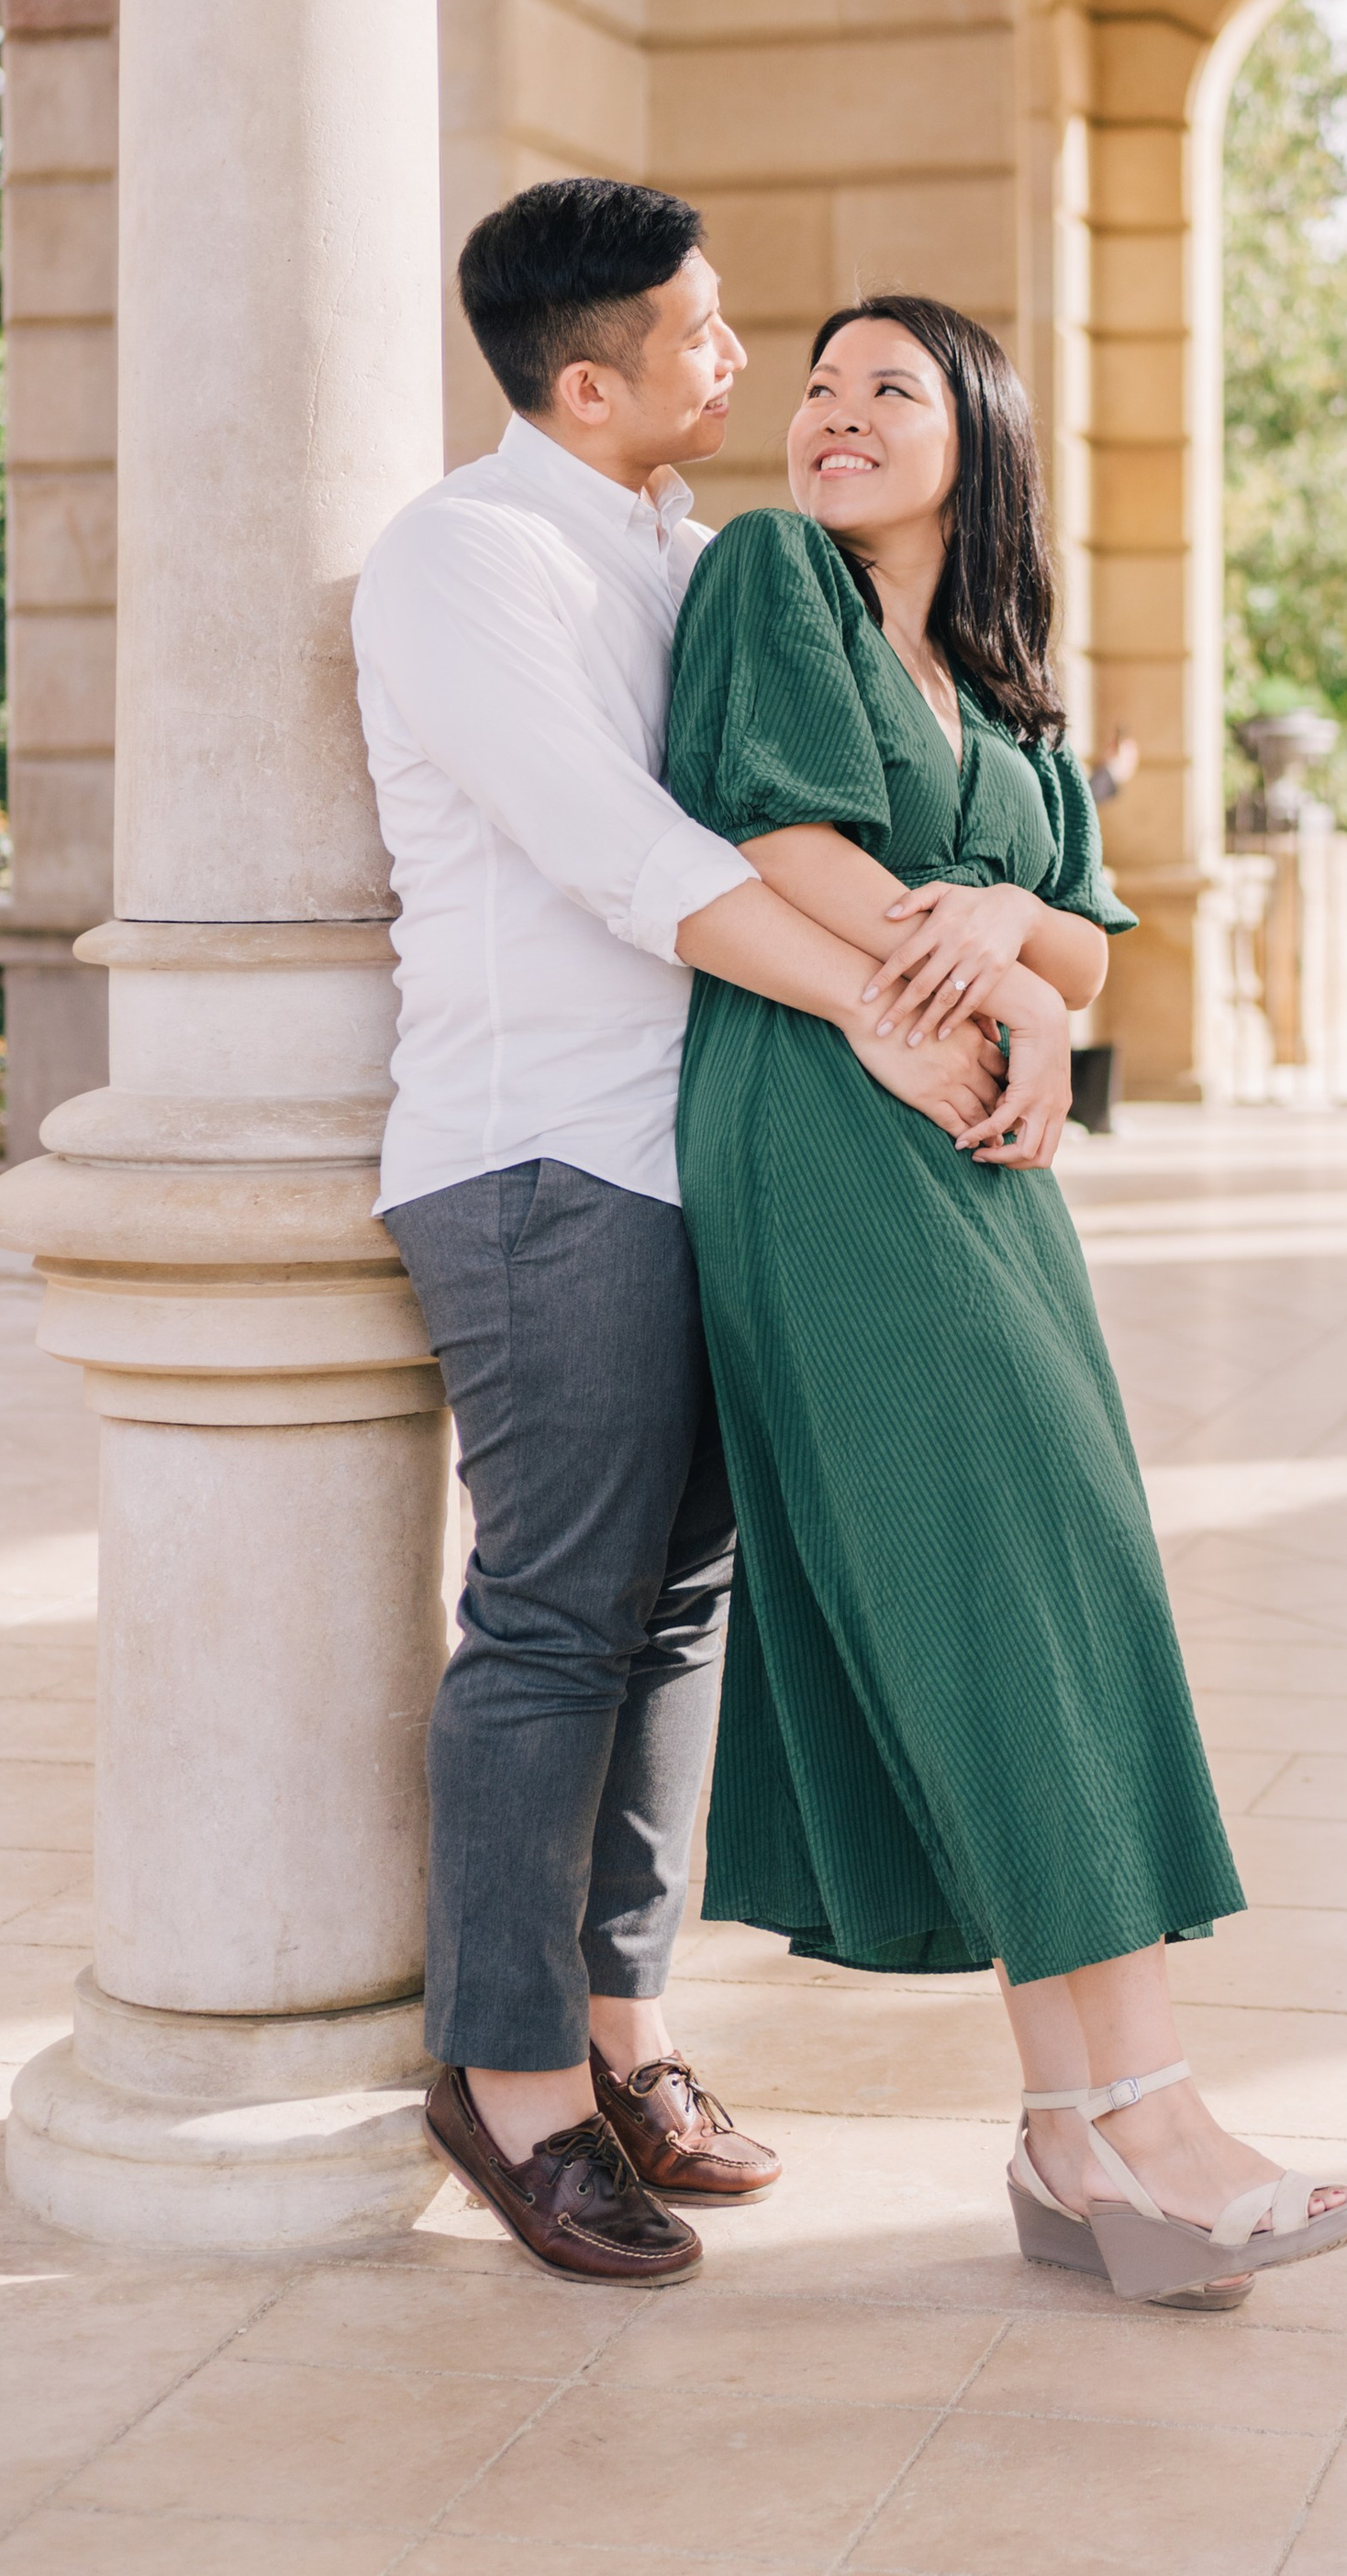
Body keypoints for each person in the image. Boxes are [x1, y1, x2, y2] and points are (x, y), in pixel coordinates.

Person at [662, 294, 1347, 2306]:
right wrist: (987, 965)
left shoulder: (999, 678)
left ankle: (1074, 2140)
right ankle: (1149, 2113)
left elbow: (1089, 947)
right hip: (822, 1117)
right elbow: (772, 824)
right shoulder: (773, 575)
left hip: (985, 1161)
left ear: (975, 435)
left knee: (1060, 1573)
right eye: (817, 385)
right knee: (1007, 1582)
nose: (831, 413)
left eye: (886, 388)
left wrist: (1018, 944)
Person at [353, 183, 1000, 2290]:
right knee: (555, 1618)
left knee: (678, 1611)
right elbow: (612, 847)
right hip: (540, 1154)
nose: (741, 361)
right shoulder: (465, 557)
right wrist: (886, 1015)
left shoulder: (700, 558)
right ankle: (510, 2081)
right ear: (583, 381)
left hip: (710, 1146)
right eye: (704, 334)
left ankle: (627, 2037)